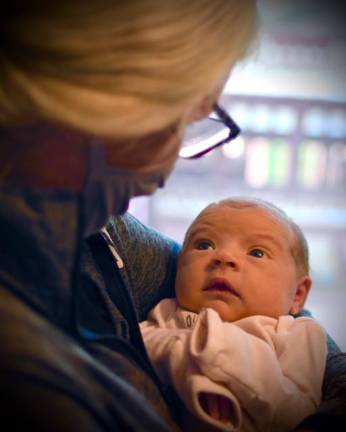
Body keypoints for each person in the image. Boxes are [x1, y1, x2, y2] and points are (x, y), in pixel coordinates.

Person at [0, 1, 345, 431]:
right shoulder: (34, 371)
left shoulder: (108, 235)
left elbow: (305, 333)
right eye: (179, 122)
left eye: (255, 252)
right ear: (113, 98)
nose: (162, 176)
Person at [139, 198, 328, 431]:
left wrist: (219, 357)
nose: (224, 256)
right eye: (204, 245)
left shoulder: (300, 332)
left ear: (297, 295)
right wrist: (189, 355)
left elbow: (297, 410)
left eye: (257, 253)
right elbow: (136, 347)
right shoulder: (169, 310)